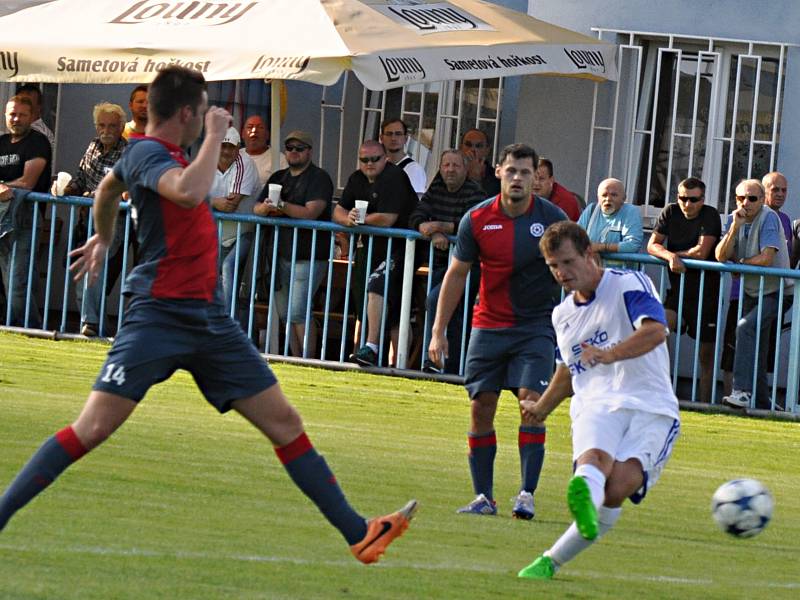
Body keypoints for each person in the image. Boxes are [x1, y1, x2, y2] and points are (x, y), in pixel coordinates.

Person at [0, 66, 416, 564]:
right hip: (158, 315)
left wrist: (104, 235)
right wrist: (217, 136)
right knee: (91, 429)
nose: (208, 120)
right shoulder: (152, 152)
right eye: (203, 112)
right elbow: (186, 191)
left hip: (210, 321)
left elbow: (108, 190)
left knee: (284, 421)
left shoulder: (153, 154)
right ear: (185, 113)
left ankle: (359, 533)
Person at [516, 221, 680, 580]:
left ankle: (557, 553)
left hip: (650, 404)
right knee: (594, 459)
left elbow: (654, 331)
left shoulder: (627, 284)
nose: (561, 273)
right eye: (554, 266)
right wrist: (541, 408)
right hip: (597, 401)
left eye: (567, 262)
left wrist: (610, 354)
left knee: (618, 487)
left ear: (590, 255)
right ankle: (568, 530)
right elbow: (568, 370)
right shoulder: (563, 315)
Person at [428, 143, 567, 520]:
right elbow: (456, 274)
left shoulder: (552, 219)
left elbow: (573, 268)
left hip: (534, 327)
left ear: (536, 177)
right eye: (512, 171)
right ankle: (484, 498)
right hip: (487, 326)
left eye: (526, 172)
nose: (519, 178)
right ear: (498, 173)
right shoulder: (476, 219)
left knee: (531, 405)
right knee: (480, 409)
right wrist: (439, 330)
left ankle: (526, 494)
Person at [334, 140, 418, 367]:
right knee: (366, 302)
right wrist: (347, 220)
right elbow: (339, 211)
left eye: (375, 159)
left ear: (385, 159)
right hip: (371, 248)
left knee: (395, 308)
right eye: (365, 160)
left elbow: (387, 218)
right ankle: (367, 354)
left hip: (404, 248)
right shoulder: (356, 179)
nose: (369, 164)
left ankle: (393, 362)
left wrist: (358, 221)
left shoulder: (395, 177)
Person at [53, 102, 129, 337]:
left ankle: (90, 324)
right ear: (96, 127)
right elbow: (81, 179)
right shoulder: (93, 146)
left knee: (91, 270)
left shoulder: (128, 153)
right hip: (86, 222)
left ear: (121, 127)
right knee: (89, 274)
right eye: (102, 125)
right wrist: (66, 188)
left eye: (112, 126)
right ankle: (98, 327)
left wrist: (89, 196)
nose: (106, 130)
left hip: (110, 223)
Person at [254, 130, 333, 357]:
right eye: (290, 148)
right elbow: (256, 208)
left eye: (299, 148)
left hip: (308, 254)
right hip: (278, 253)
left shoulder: (319, 177)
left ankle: (309, 360)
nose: (294, 152)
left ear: (309, 151)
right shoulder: (278, 177)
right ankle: (296, 358)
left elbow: (311, 213)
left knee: (299, 311)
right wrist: (267, 208)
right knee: (286, 313)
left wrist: (281, 207)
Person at [715, 179, 792, 410]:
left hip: (779, 290)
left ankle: (742, 391)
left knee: (745, 328)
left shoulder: (768, 217)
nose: (745, 203)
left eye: (752, 198)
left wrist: (740, 263)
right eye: (740, 198)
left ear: (761, 200)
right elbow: (720, 256)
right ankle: (760, 400)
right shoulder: (734, 218)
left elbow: (766, 258)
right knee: (756, 343)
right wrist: (734, 228)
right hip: (752, 291)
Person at [409, 149, 484, 374]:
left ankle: (437, 361)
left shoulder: (475, 192)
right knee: (439, 307)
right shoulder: (437, 187)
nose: (450, 170)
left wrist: (440, 226)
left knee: (437, 302)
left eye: (455, 165)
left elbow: (470, 225)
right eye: (446, 165)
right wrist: (429, 230)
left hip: (469, 267)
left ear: (465, 169)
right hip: (441, 263)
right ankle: (440, 362)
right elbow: (417, 217)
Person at [646, 177, 721, 402]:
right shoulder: (670, 212)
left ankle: (705, 404)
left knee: (706, 355)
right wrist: (669, 256)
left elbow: (701, 252)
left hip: (706, 294)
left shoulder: (710, 214)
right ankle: (664, 394)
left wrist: (676, 255)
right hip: (678, 293)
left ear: (702, 199)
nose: (687, 204)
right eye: (682, 198)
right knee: (659, 327)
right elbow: (652, 244)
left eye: (693, 200)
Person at [0, 95, 52, 328]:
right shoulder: (1, 142)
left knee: (17, 281)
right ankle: (22, 326)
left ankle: (27, 329)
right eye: (12, 113)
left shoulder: (37, 142)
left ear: (32, 117)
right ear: (5, 114)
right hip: (2, 218)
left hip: (26, 218)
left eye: (22, 114)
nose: (16, 119)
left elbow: (28, 183)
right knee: (10, 279)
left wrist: (4, 186)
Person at [209, 126, 260, 320]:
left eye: (230, 147)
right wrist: (213, 202)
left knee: (230, 272)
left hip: (244, 231)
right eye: (222, 146)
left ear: (239, 148)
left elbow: (230, 206)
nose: (226, 151)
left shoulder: (244, 163)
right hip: (216, 232)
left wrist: (207, 201)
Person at [577, 178, 643, 265]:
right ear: (598, 198)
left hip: (622, 274)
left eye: (614, 195)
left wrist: (600, 248)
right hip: (593, 273)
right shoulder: (591, 210)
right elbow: (575, 239)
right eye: (604, 195)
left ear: (623, 198)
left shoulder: (630, 211)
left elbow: (632, 245)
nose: (608, 199)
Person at [379, 118, 427, 195]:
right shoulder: (378, 167)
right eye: (389, 134)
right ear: (381, 138)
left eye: (398, 134)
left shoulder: (414, 170)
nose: (393, 138)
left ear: (406, 138)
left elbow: (414, 203)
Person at [241, 114, 287, 189]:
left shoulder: (279, 159)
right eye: (250, 127)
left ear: (267, 135)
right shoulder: (234, 156)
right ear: (242, 134)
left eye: (260, 127)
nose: (254, 131)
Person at [459, 128, 499, 197]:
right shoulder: (450, 169)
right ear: (461, 147)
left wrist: (475, 178)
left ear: (487, 150)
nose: (472, 150)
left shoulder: (496, 179)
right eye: (468, 145)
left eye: (478, 146)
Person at [16, 84, 55, 148]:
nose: (22, 106)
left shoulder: (37, 133)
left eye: (28, 102)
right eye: (19, 102)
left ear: (39, 107)